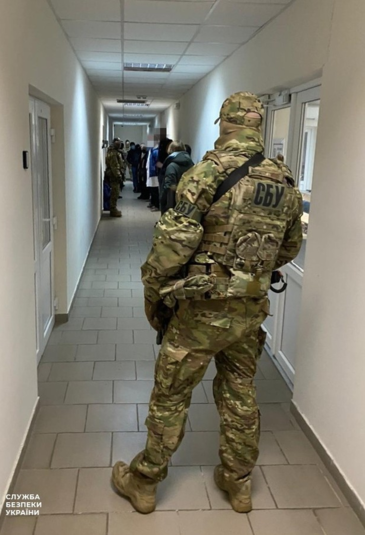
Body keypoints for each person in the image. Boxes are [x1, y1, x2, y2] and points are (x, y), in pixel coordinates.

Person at [112, 92, 303, 514]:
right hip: (249, 313)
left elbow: (174, 245)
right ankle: (238, 482)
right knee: (240, 394)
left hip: (201, 312)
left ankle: (144, 481)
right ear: (257, 126)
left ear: (225, 123)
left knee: (171, 395)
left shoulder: (208, 171)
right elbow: (289, 247)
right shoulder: (285, 182)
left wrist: (154, 289)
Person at [160, 140, 194, 215]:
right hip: (188, 202)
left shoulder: (171, 166)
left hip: (173, 204)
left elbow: (170, 188)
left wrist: (168, 209)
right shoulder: (192, 164)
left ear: (171, 149)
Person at [105, 138, 123, 217]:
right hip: (114, 176)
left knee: (115, 192)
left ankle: (113, 208)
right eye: (118, 143)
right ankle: (113, 209)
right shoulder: (113, 153)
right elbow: (114, 166)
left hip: (113, 175)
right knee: (114, 193)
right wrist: (119, 176)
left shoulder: (114, 152)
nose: (119, 145)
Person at [147, 144, 160, 212]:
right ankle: (153, 203)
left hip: (154, 173)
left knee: (155, 190)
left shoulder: (156, 151)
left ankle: (156, 205)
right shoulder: (152, 151)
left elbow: (156, 163)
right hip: (152, 173)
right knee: (152, 189)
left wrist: (154, 171)